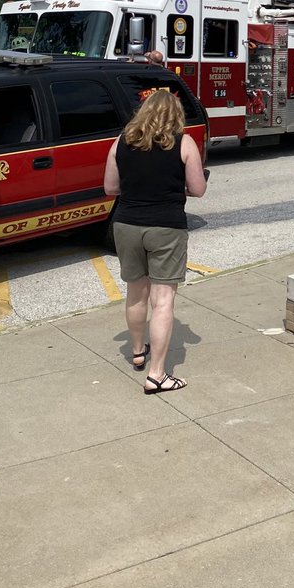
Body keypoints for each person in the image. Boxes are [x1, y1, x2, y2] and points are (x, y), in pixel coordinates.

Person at [103, 90, 207, 394]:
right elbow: (198, 189)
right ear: (175, 114)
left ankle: (137, 351)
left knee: (136, 293)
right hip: (166, 226)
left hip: (126, 224)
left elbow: (110, 187)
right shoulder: (184, 143)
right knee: (163, 301)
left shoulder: (121, 141)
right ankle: (157, 374)